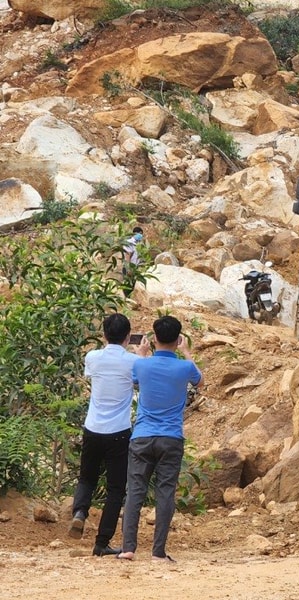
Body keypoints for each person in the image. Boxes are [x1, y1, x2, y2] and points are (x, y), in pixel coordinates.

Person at [117, 315, 203, 562]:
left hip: (143, 436)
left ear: (153, 339)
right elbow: (201, 382)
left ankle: (128, 548)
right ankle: (158, 552)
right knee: (165, 493)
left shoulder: (141, 364)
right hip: (171, 438)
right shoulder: (185, 367)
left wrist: (141, 353)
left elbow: (135, 382)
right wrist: (187, 353)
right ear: (178, 340)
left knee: (134, 491)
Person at [70, 313, 149, 557]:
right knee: (116, 488)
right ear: (128, 336)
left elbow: (92, 375)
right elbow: (141, 381)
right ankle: (101, 542)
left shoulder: (92, 357)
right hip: (118, 432)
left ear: (104, 335)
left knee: (86, 478)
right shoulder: (133, 361)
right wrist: (142, 354)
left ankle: (80, 512)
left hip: (92, 427)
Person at [122, 226, 144, 297]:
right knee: (127, 285)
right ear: (134, 233)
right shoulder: (129, 242)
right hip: (129, 268)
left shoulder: (139, 244)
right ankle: (125, 300)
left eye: (141, 234)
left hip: (135, 268)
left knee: (133, 285)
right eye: (139, 234)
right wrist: (128, 269)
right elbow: (127, 255)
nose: (140, 235)